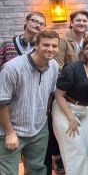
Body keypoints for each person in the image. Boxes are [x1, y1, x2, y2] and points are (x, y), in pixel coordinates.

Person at [0, 30, 60, 175]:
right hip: (12, 130)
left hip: (39, 129)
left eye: (54, 46)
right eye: (46, 45)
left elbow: (52, 94)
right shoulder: (12, 68)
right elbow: (2, 102)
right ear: (36, 45)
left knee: (37, 170)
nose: (50, 49)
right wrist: (9, 133)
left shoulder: (54, 66)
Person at [52, 34, 88, 175]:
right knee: (78, 151)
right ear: (83, 51)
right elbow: (58, 94)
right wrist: (71, 117)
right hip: (66, 109)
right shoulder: (73, 68)